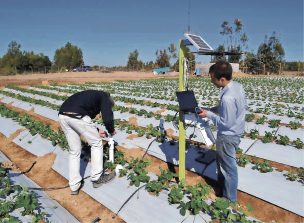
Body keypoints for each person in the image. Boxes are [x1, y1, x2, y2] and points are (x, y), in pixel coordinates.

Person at [198, 61, 246, 202]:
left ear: (222, 79)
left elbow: (226, 123)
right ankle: (222, 187)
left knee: (228, 169)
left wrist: (208, 115)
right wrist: (211, 109)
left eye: (212, 78)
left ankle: (229, 200)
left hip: (227, 136)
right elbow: (232, 109)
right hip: (236, 132)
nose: (211, 81)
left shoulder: (227, 97)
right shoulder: (237, 87)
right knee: (223, 164)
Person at [58, 90, 116, 195]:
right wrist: (111, 129)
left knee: (74, 151)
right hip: (77, 116)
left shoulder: (91, 96)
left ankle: (74, 186)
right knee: (97, 144)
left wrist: (97, 131)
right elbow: (107, 117)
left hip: (63, 115)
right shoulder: (105, 97)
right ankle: (97, 178)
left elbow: (84, 122)